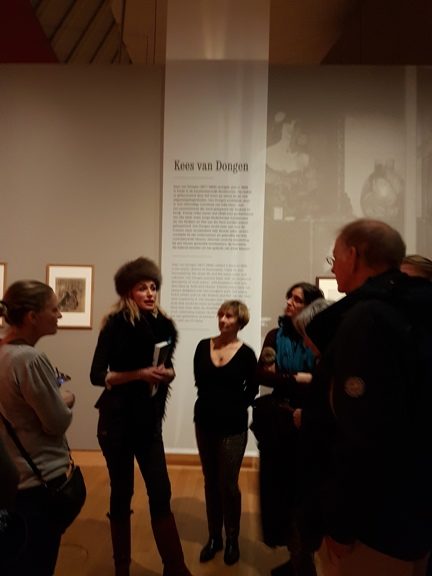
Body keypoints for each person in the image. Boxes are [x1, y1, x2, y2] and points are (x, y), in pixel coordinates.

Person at [305, 219, 432, 576]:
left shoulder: (368, 319)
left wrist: (341, 524)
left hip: (373, 527)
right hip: (413, 513)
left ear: (354, 255)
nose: (334, 268)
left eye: (335, 258)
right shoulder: (415, 309)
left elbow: (362, 433)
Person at [90, 257, 193, 576]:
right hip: (117, 422)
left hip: (148, 422)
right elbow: (96, 375)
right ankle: (122, 568)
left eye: (153, 287)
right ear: (128, 292)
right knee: (122, 492)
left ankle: (175, 567)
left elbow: (166, 367)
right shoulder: (115, 325)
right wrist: (138, 374)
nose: (150, 293)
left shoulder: (164, 325)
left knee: (161, 491)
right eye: (142, 288)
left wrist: (168, 374)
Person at [0, 280, 76, 576]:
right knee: (37, 563)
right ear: (32, 316)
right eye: (54, 310)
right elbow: (57, 422)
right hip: (37, 481)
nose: (59, 315)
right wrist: (66, 398)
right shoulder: (29, 359)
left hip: (10, 478)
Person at [252, 282, 323, 576]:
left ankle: (304, 563)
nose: (289, 303)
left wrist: (283, 376)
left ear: (310, 306)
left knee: (302, 494)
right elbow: (261, 375)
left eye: (297, 299)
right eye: (289, 297)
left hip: (307, 423)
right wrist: (298, 378)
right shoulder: (275, 335)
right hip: (279, 423)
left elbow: (321, 381)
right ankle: (296, 560)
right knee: (279, 493)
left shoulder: (318, 337)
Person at [193, 300, 258, 566]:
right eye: (220, 315)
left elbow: (252, 388)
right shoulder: (202, 346)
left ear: (240, 321)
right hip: (205, 421)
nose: (222, 320)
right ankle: (214, 537)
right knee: (210, 480)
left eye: (229, 316)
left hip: (232, 425)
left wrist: (235, 406)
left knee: (228, 483)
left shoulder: (246, 353)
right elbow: (199, 382)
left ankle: (232, 538)